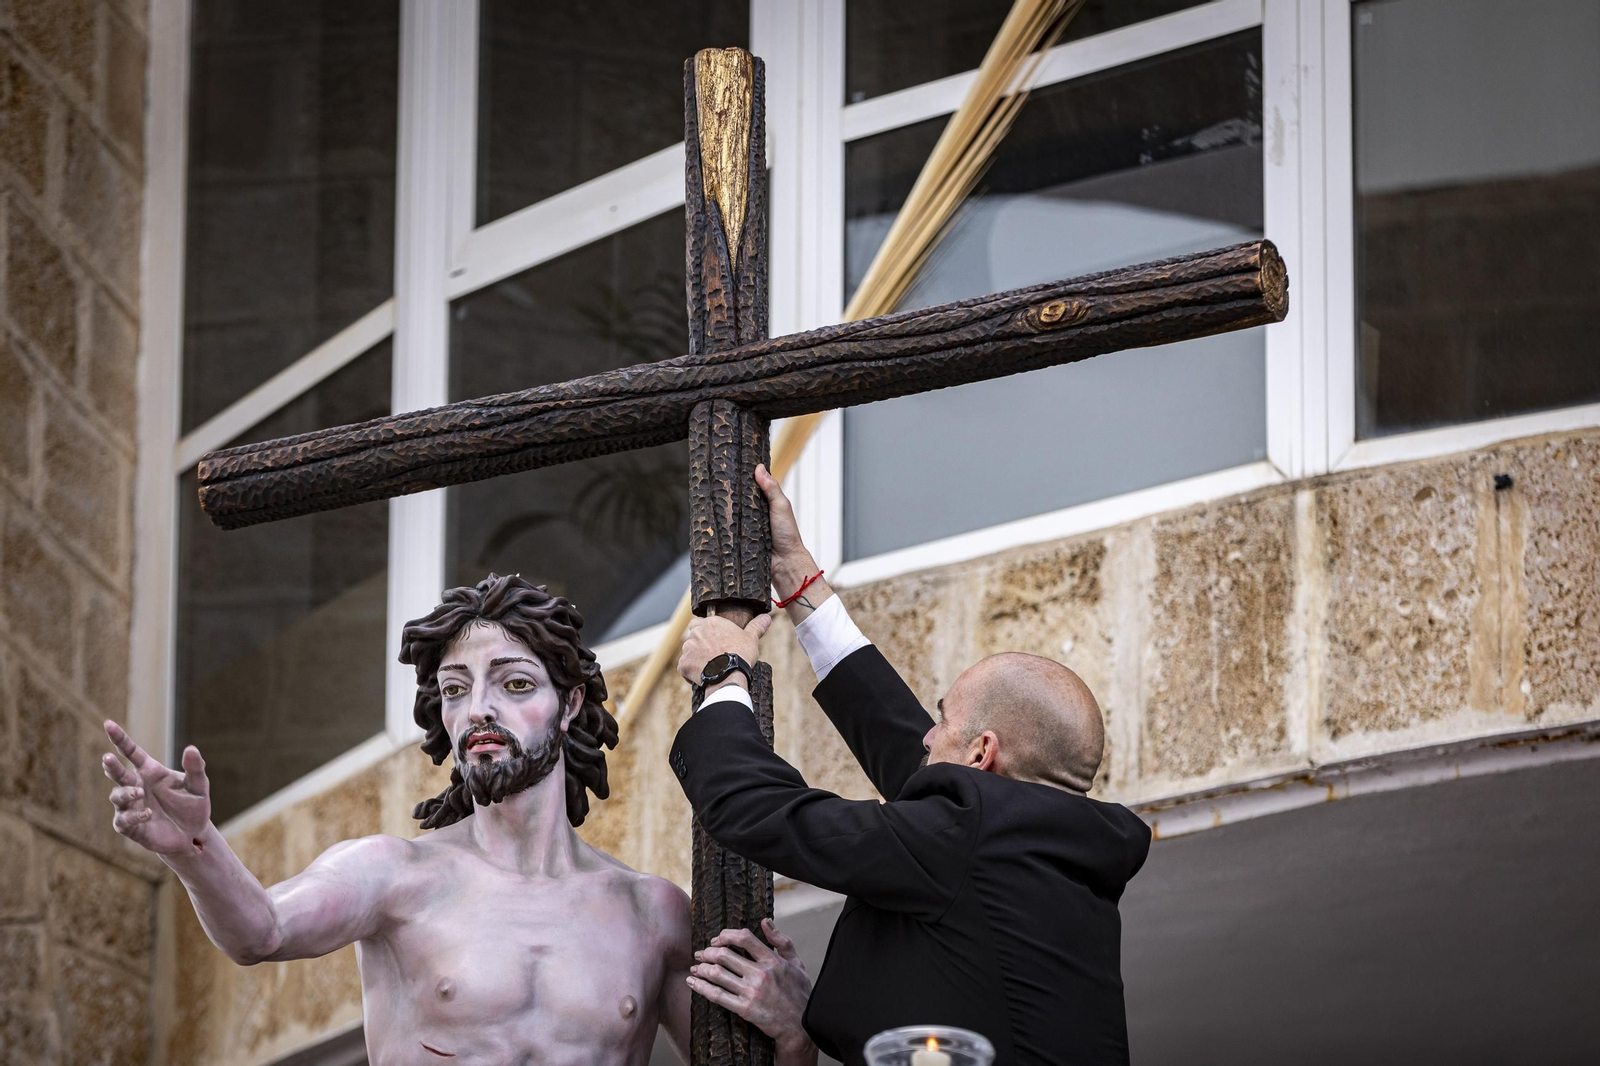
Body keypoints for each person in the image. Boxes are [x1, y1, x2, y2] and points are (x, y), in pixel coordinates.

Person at [106, 574, 724, 1064]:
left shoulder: (653, 914)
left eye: (513, 684)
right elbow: (260, 931)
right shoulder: (393, 875)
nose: (479, 708)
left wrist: (796, 1034)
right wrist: (193, 847)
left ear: (569, 706)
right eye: (456, 690)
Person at [673, 467, 1152, 1066]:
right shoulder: (1047, 853)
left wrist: (724, 676)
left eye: (944, 719)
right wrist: (800, 581)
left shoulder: (969, 837)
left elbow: (756, 811)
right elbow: (914, 756)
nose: (927, 733)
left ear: (982, 753)